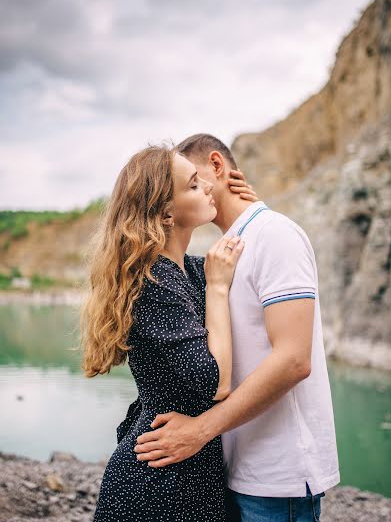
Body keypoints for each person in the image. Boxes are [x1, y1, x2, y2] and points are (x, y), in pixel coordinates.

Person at [134, 134, 340, 522]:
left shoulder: (275, 235)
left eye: (196, 180)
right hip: (232, 467)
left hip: (277, 477)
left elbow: (294, 360)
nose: (193, 191)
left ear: (216, 166)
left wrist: (200, 431)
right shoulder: (222, 253)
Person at [79, 143, 258, 521]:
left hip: (187, 471)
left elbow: (238, 255)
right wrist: (219, 290)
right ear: (165, 212)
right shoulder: (155, 284)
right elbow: (216, 383)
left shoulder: (190, 271)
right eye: (194, 185)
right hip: (158, 483)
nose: (209, 187)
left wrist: (250, 214)